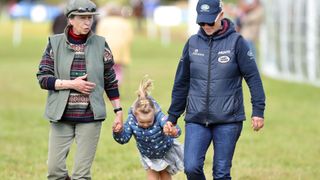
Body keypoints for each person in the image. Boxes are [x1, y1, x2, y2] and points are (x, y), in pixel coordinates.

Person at [166, 0, 266, 179]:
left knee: (221, 173)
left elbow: (253, 78)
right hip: (196, 118)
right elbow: (181, 82)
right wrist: (172, 117)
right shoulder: (192, 43)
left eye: (210, 21)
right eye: (201, 22)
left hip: (229, 119)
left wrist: (258, 110)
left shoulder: (237, 42)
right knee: (191, 167)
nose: (206, 26)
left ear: (221, 15)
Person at [36, 0, 123, 179]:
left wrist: (118, 110)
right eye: (82, 18)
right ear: (70, 20)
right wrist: (71, 84)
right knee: (55, 171)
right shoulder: (54, 43)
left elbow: (110, 80)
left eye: (90, 18)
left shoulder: (101, 44)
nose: (87, 22)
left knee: (81, 176)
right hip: (61, 117)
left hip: (90, 117)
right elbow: (43, 78)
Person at [113, 76, 184, 180]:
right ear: (135, 115)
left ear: (154, 114)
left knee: (165, 175)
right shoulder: (131, 121)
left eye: (149, 122)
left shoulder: (160, 117)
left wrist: (172, 130)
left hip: (165, 151)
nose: (145, 125)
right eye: (142, 122)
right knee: (152, 177)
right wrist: (118, 132)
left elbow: (175, 128)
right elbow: (124, 139)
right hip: (148, 155)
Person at [96, 4, 134, 85]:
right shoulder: (124, 22)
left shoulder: (103, 21)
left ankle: (108, 86)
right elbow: (130, 37)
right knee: (118, 68)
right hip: (120, 48)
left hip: (106, 48)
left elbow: (98, 36)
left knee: (107, 68)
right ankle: (116, 86)